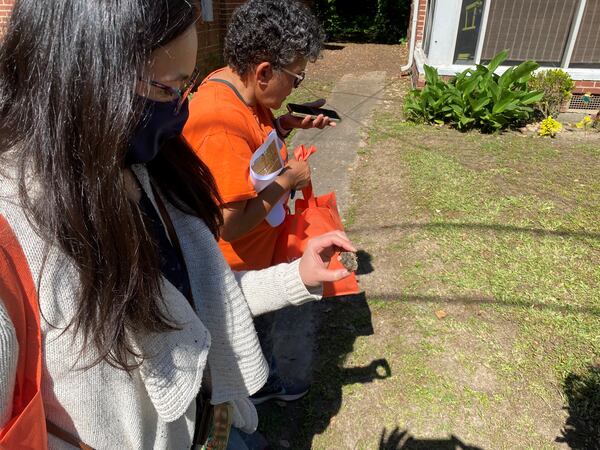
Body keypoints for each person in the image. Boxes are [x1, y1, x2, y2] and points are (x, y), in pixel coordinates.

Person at [0, 1, 355, 449]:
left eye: (185, 86)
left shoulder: (144, 168)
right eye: (169, 89)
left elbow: (198, 301)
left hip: (210, 421)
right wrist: (286, 182)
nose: (179, 114)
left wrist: (294, 277)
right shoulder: (16, 241)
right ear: (88, 75)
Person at [183, 0, 335, 406]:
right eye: (296, 78)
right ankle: (255, 391)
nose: (295, 88)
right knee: (245, 340)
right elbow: (228, 225)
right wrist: (288, 180)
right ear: (264, 70)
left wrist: (284, 126)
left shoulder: (240, 89)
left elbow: (252, 163)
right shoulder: (222, 126)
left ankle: (258, 382)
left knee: (258, 332)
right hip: (237, 275)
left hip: (258, 255)